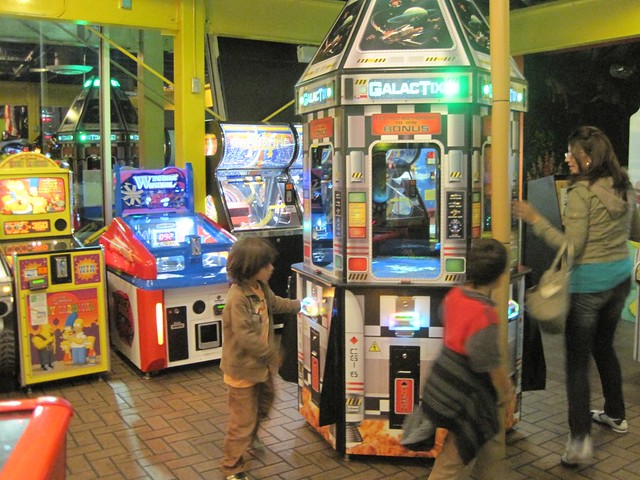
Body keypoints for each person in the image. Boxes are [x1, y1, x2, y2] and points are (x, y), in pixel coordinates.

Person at [514, 125, 640, 467]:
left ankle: (580, 440)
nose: (567, 159)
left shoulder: (583, 192)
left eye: (571, 154)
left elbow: (573, 247)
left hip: (589, 285)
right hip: (619, 280)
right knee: (604, 347)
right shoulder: (622, 182)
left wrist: (535, 219)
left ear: (587, 157)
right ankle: (615, 414)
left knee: (577, 362)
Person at [422, 238, 514, 479]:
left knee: (489, 447)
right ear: (500, 276)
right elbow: (487, 363)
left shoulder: (455, 295)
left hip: (445, 382)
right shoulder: (484, 315)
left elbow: (444, 318)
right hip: (468, 399)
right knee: (453, 460)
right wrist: (507, 390)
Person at [219, 236, 301, 480]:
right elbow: (245, 336)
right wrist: (273, 354)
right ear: (252, 267)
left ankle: (251, 436)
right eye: (267, 265)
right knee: (240, 423)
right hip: (243, 369)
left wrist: (300, 305)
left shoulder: (260, 287)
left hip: (260, 368)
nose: (272, 268)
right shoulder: (237, 298)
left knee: (265, 403)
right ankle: (232, 468)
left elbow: (274, 304)